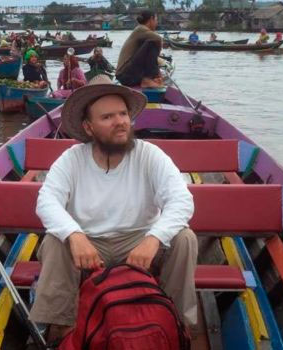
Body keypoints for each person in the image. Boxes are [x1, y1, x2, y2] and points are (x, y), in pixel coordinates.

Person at [29, 74, 198, 344]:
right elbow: (47, 201)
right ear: (88, 127)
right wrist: (75, 235)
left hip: (139, 240)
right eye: (107, 117)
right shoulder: (71, 159)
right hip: (89, 245)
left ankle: (175, 319)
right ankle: (63, 327)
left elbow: (181, 200)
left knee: (183, 238)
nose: (120, 122)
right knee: (54, 241)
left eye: (123, 114)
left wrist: (153, 239)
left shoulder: (149, 154)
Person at [116, 10, 163, 88]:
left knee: (151, 43)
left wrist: (157, 71)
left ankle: (150, 78)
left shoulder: (142, 32)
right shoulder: (141, 29)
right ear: (151, 19)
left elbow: (147, 57)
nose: (157, 23)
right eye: (156, 20)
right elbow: (158, 39)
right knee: (152, 43)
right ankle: (147, 80)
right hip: (125, 75)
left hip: (127, 76)